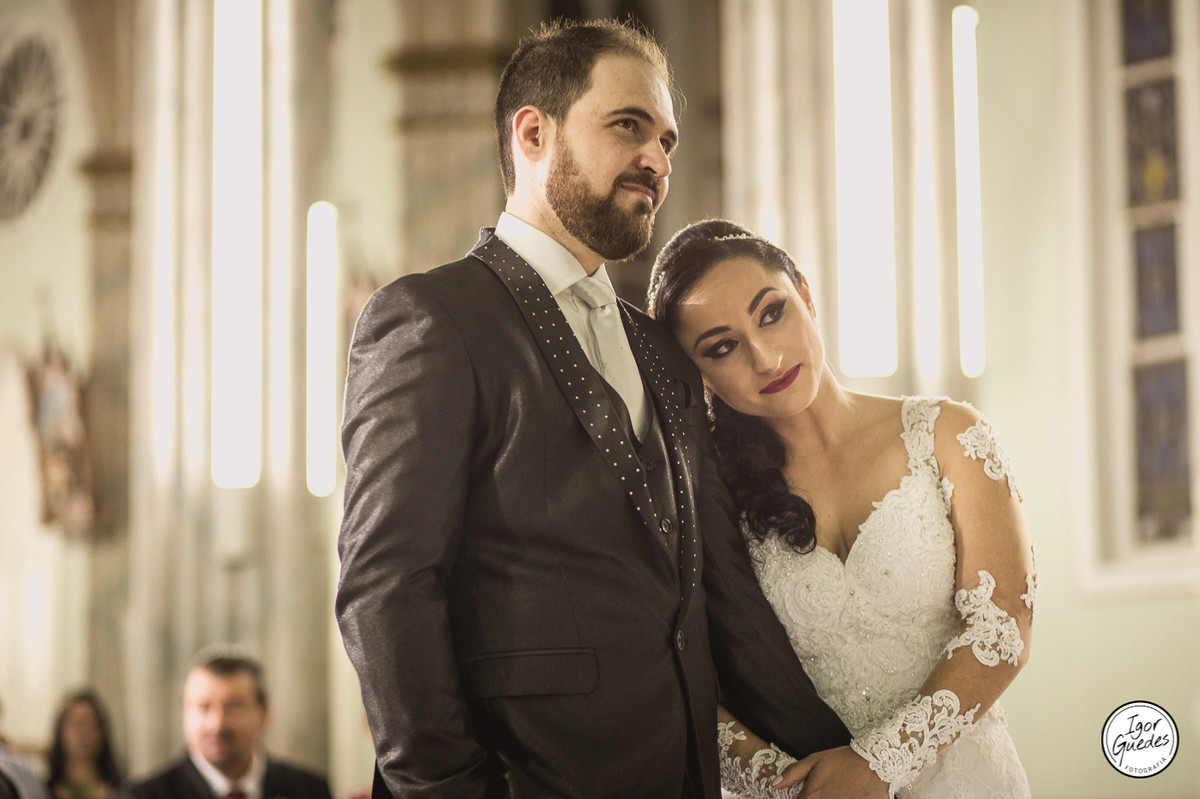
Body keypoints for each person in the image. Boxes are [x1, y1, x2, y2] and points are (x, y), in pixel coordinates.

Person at [335, 17, 849, 799]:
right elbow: (386, 585)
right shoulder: (434, 320)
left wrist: (850, 758)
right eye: (628, 126)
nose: (658, 160)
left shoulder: (662, 351)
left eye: (667, 141)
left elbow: (723, 594)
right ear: (533, 133)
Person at [647, 219, 1036, 797]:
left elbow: (1004, 626)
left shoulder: (949, 435)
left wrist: (878, 764)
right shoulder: (707, 503)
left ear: (805, 295)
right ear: (696, 373)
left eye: (771, 313)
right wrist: (789, 786)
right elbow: (693, 686)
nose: (765, 358)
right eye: (723, 347)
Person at [122, 646, 332, 799]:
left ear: (264, 714)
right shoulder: (142, 796)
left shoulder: (310, 791)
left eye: (234, 707)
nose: (217, 724)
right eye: (203, 707)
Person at [46, 690, 123, 799]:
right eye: (76, 723)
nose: (83, 732)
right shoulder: (41, 792)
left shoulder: (122, 792)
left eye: (90, 723)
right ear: (61, 731)